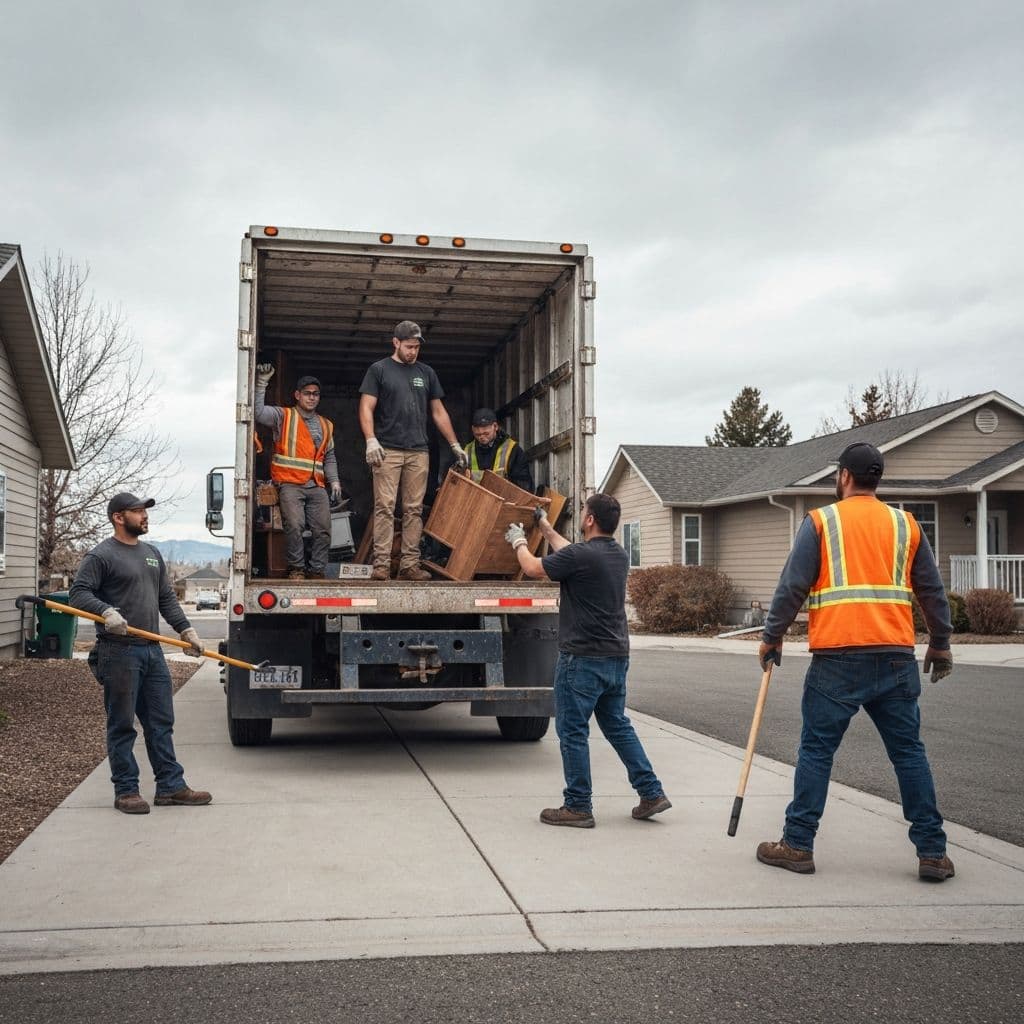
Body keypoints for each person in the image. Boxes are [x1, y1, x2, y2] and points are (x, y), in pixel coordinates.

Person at [756, 441, 955, 881]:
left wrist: (772, 638)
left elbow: (792, 587)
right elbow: (931, 590)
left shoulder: (821, 522)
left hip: (837, 660)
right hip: (896, 658)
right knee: (908, 753)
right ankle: (933, 853)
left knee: (817, 751)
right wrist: (940, 641)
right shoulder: (906, 525)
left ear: (844, 475)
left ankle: (798, 844)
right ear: (877, 478)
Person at [507, 492, 671, 827]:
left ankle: (578, 806)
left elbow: (533, 568)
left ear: (590, 519)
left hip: (581, 659)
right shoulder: (617, 555)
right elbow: (570, 552)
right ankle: (651, 792)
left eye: (583, 511)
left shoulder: (582, 556)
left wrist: (519, 541)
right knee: (617, 725)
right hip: (615, 657)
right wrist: (544, 526)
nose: (581, 515)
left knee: (571, 730)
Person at [69, 493, 212, 815]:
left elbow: (165, 598)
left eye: (144, 512)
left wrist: (185, 630)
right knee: (122, 725)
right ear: (119, 517)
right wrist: (106, 611)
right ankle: (126, 791)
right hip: (118, 651)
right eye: (137, 512)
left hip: (152, 651)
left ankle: (170, 786)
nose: (144, 517)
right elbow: (79, 593)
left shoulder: (151, 554)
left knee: (161, 722)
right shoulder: (101, 555)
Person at [359, 320, 468, 581]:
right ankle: (382, 565)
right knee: (384, 506)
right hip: (387, 450)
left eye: (416, 348)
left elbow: (438, 411)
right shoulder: (379, 370)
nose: (413, 352)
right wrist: (371, 439)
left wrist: (454, 444)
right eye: (409, 347)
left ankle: (409, 565)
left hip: (419, 451)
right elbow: (366, 407)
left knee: (414, 509)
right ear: (395, 343)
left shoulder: (426, 373)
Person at [254, 365, 343, 580]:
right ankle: (297, 569)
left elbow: (329, 456)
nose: (311, 398)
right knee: (294, 526)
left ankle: (317, 570)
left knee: (323, 530)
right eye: (307, 393)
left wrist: (335, 481)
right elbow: (256, 412)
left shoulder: (326, 425)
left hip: (316, 486)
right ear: (297, 395)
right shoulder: (283, 416)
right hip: (289, 484)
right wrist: (261, 383)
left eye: (315, 394)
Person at [464, 408, 533, 492]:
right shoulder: (467, 451)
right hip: (475, 502)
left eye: (486, 433)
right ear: (472, 429)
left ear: (495, 426)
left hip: (504, 503)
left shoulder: (512, 450)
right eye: (477, 434)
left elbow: (523, 487)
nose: (481, 437)